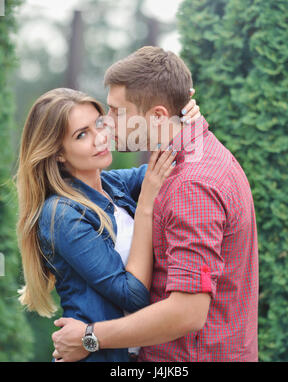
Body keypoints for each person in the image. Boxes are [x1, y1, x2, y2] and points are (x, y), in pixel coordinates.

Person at [52, 46, 259, 362]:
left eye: (116, 112)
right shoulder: (183, 157)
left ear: (158, 115)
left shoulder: (191, 185)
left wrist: (90, 338)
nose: (107, 123)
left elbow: (187, 313)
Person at [16, 87, 198, 362]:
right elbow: (132, 293)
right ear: (58, 154)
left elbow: (170, 162)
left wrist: (181, 117)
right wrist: (146, 205)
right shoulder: (61, 215)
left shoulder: (114, 185)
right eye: (81, 134)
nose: (100, 138)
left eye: (99, 125)